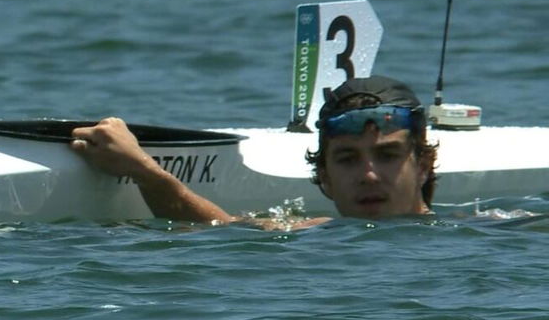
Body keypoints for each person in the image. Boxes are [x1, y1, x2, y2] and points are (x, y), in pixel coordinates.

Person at [69, 75, 438, 227]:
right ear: (323, 176)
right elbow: (219, 228)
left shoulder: (485, 231)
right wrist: (141, 169)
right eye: (347, 159)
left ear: (423, 164)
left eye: (387, 155)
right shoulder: (306, 235)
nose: (368, 174)